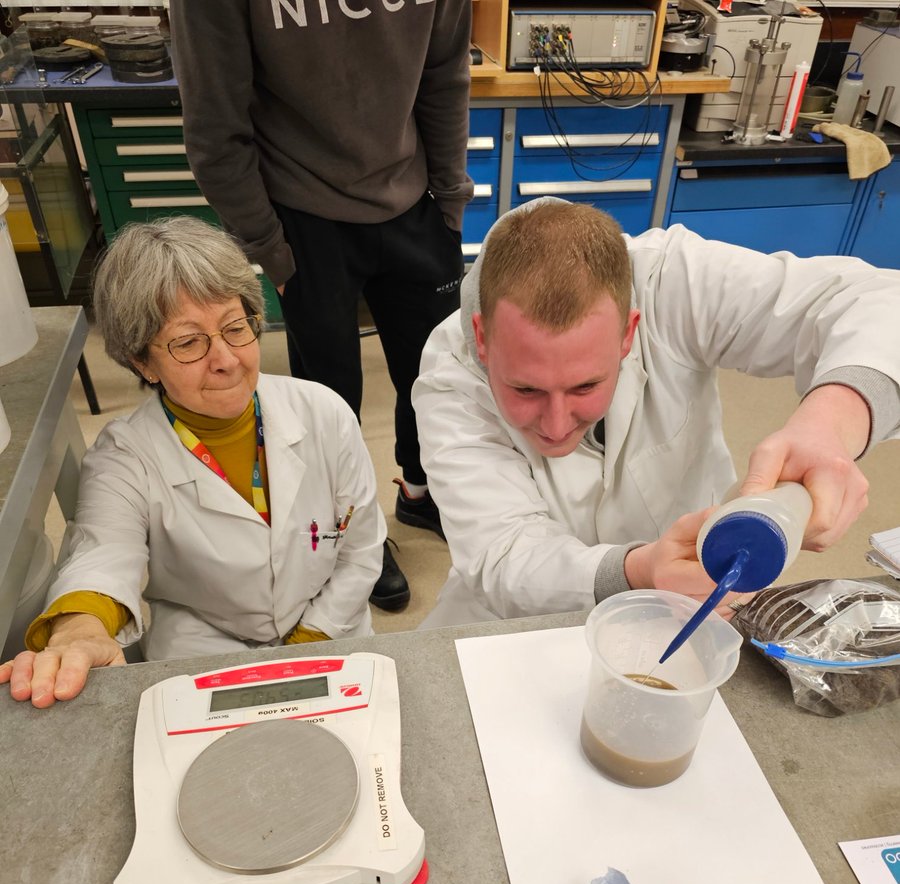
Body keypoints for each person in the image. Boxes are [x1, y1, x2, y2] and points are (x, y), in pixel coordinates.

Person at [412, 198, 900, 627]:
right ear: (480, 336)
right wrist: (637, 571)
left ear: (629, 331)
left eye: (586, 385)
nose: (557, 425)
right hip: (516, 614)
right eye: (525, 388)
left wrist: (831, 426)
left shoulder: (671, 284)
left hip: (699, 592)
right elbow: (504, 556)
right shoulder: (450, 376)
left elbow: (875, 301)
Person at [0, 218, 384, 707]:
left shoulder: (323, 411)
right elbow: (102, 553)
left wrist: (310, 642)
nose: (225, 358)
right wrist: (79, 632)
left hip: (332, 628)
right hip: (203, 644)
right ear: (142, 362)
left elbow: (361, 549)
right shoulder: (125, 455)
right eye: (188, 341)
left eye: (235, 327)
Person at [168, 0, 473, 613]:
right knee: (327, 396)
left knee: (436, 374)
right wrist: (268, 247)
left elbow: (445, 72)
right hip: (302, 215)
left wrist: (450, 197)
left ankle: (420, 494)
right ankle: (354, 527)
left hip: (415, 201)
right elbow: (215, 127)